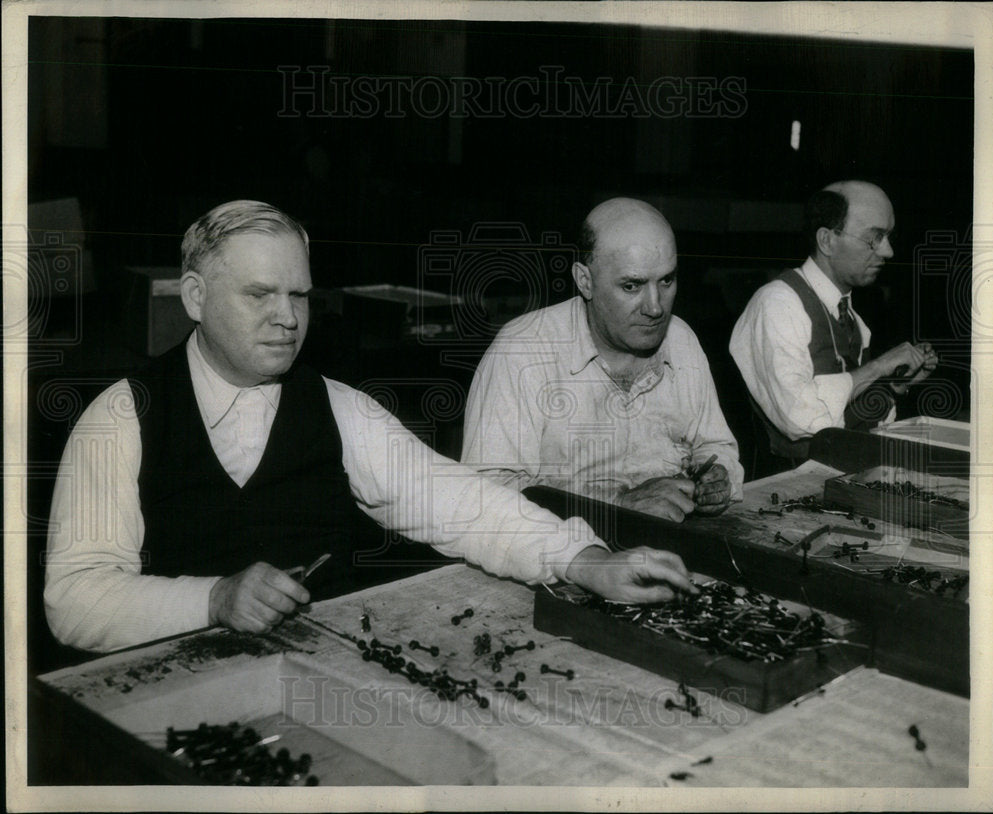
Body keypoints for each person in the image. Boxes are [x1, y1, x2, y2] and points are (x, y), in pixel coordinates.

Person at [44, 200, 695, 653]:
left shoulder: (336, 405)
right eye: (259, 295)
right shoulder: (122, 416)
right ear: (194, 297)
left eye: (299, 295)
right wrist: (212, 599)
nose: (289, 318)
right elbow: (74, 602)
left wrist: (584, 561)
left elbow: (459, 503)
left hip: (311, 673)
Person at [462, 197, 743, 523]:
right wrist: (616, 504)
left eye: (666, 280)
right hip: (559, 557)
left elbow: (718, 445)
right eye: (631, 286)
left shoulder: (681, 341)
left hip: (671, 544)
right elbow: (484, 498)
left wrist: (719, 479)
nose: (655, 307)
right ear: (585, 280)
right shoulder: (524, 351)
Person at [729, 180, 938, 459]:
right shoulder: (778, 305)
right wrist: (879, 367)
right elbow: (800, 418)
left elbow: (848, 410)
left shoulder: (850, 316)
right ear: (827, 240)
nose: (888, 251)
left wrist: (895, 384)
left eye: (888, 237)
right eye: (874, 238)